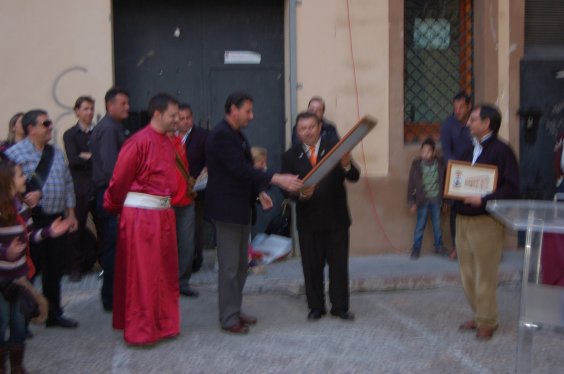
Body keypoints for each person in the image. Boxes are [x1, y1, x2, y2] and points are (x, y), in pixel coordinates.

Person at [206, 91, 302, 334]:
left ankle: (234, 310)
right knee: (229, 268)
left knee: (240, 266)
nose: (252, 115)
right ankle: (228, 318)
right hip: (227, 212)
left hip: (240, 209)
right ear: (233, 109)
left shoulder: (236, 136)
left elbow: (247, 170)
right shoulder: (221, 136)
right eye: (247, 111)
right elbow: (239, 169)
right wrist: (276, 178)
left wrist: (260, 191)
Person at [104, 93, 180, 346]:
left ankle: (163, 324)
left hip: (163, 215)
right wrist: (114, 207)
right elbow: (119, 180)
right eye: (172, 115)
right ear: (157, 114)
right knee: (143, 275)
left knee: (164, 274)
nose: (176, 119)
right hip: (142, 218)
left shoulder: (168, 142)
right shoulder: (138, 142)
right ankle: (141, 330)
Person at [4, 110, 79, 328]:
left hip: (55, 218)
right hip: (30, 220)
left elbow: (67, 183)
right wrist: (24, 197)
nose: (50, 127)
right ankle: (23, 319)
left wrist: (71, 213)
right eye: (45, 123)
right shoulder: (14, 154)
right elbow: (5, 187)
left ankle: (54, 313)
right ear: (31, 129)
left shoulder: (55, 152)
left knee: (54, 269)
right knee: (28, 269)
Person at [282, 111, 359, 321]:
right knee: (311, 267)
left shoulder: (335, 149)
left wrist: (345, 163)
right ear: (297, 132)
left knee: (339, 267)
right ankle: (316, 306)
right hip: (309, 222)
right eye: (302, 129)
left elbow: (354, 176)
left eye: (311, 127)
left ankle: (340, 307)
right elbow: (285, 191)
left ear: (319, 128)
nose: (307, 132)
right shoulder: (289, 156)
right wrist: (298, 194)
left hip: (337, 219)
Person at [0, 159, 71, 372]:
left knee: (20, 323)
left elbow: (30, 235)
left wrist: (49, 232)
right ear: (7, 181)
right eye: (20, 175)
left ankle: (17, 366)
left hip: (20, 277)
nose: (25, 179)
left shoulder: (22, 207)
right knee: (1, 322)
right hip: (2, 278)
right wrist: (5, 252)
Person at [456, 104, 519, 340]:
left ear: (486, 124)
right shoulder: (467, 149)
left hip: (487, 221)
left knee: (485, 273)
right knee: (467, 273)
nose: (468, 123)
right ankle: (479, 314)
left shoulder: (502, 151)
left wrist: (483, 199)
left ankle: (488, 321)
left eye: (473, 119)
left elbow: (512, 189)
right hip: (463, 217)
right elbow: (456, 178)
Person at [89, 87, 130, 311]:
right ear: (109, 105)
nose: (127, 107)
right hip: (110, 196)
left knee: (116, 248)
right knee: (113, 248)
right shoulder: (107, 129)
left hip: (113, 195)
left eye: (128, 103)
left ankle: (115, 296)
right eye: (123, 103)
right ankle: (111, 298)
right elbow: (111, 169)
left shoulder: (116, 127)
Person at [63, 96, 100, 281]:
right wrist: (90, 156)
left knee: (104, 228)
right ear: (77, 111)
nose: (89, 112)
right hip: (79, 190)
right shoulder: (70, 134)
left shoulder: (99, 132)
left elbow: (104, 158)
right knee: (75, 231)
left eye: (91, 108)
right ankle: (75, 268)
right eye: (85, 108)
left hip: (98, 187)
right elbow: (74, 160)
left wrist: (87, 155)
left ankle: (104, 265)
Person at [440, 91, 473, 260]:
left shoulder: (476, 122)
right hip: (455, 172)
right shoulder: (448, 124)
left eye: (461, 107)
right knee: (455, 209)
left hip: (475, 171)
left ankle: (476, 247)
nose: (458, 111)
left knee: (476, 207)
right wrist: (454, 167)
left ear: (468, 107)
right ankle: (456, 246)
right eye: (455, 108)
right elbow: (446, 150)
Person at [177, 103, 208, 273]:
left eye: (188, 118)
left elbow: (212, 156)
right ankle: (181, 261)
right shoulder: (170, 137)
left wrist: (207, 168)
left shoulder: (202, 135)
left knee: (196, 227)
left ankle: (196, 260)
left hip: (197, 191)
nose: (185, 122)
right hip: (176, 192)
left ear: (192, 118)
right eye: (181, 118)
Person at [169, 115, 198, 298]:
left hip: (186, 200)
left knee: (187, 243)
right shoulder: (158, 143)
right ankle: (169, 282)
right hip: (168, 202)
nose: (176, 121)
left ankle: (183, 282)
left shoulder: (179, 141)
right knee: (169, 246)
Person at [407, 137, 447, 259]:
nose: (425, 154)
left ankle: (439, 246)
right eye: (423, 151)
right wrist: (411, 202)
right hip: (422, 201)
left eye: (428, 151)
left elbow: (444, 182)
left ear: (434, 152)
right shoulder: (416, 165)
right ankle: (416, 248)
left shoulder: (440, 164)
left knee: (437, 225)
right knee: (420, 225)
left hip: (436, 200)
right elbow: (411, 184)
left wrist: (445, 201)